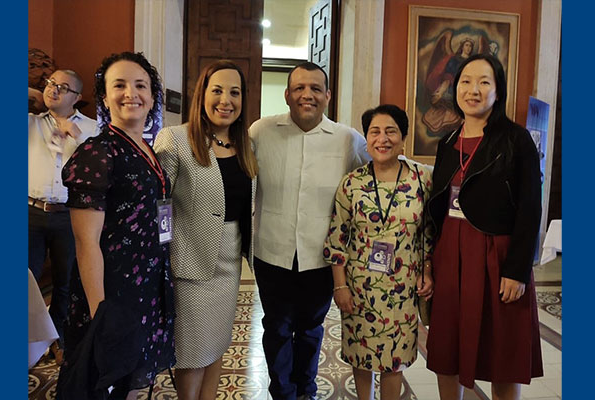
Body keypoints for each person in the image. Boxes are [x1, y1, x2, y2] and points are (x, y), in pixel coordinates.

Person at [56, 52, 175, 400]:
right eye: (119, 85)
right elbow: (85, 242)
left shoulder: (146, 149)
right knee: (104, 381)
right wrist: (100, 315)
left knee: (132, 383)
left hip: (146, 287)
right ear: (105, 97)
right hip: (112, 291)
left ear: (152, 96)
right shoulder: (98, 151)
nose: (130, 94)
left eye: (140, 85)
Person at [249, 61, 370, 400]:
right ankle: (282, 393)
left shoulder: (347, 140)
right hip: (272, 251)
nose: (307, 95)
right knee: (276, 328)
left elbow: (375, 176)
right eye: (300, 88)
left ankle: (306, 391)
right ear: (287, 94)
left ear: (327, 96)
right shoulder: (261, 131)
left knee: (310, 330)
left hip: (320, 255)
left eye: (315, 88)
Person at [425, 53, 543, 400]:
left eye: (484, 82)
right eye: (465, 81)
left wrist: (517, 270)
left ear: (497, 90)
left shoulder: (516, 140)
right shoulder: (447, 142)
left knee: (501, 350)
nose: (472, 90)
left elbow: (530, 209)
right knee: (447, 346)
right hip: (452, 254)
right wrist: (430, 261)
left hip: (497, 255)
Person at [153, 60, 257, 400]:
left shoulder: (245, 147)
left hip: (229, 266)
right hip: (190, 265)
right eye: (217, 90)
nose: (225, 100)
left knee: (217, 348)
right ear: (202, 94)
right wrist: (164, 254)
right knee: (193, 354)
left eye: (234, 92)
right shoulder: (176, 139)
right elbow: (160, 205)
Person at [324, 104, 434, 400]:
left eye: (391, 132)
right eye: (375, 132)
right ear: (366, 138)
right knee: (362, 356)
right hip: (359, 287)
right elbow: (337, 239)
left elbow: (428, 233)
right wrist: (340, 285)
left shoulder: (421, 179)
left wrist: (426, 271)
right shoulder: (352, 183)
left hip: (403, 287)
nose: (382, 139)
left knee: (394, 359)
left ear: (403, 138)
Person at [28, 69, 98, 365]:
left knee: (65, 281)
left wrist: (78, 138)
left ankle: (58, 339)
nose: (54, 90)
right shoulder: (29, 123)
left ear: (77, 97)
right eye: (50, 84)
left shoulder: (92, 129)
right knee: (24, 280)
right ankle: (27, 340)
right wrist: (32, 95)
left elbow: (100, 166)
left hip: (69, 214)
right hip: (29, 212)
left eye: (63, 87)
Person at [423, 37, 474, 135]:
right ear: (462, 47)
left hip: (467, 89)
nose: (468, 48)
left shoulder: (473, 62)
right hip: (451, 85)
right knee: (446, 105)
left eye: (470, 46)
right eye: (466, 45)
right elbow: (448, 74)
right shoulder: (454, 59)